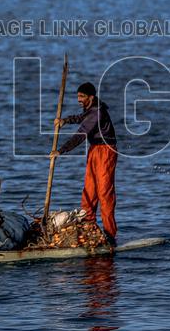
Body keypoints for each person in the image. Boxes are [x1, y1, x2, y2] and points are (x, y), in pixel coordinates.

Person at [50, 82, 119, 244]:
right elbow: (81, 118)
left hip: (106, 151)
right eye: (78, 96)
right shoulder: (90, 110)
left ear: (91, 97)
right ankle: (89, 228)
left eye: (82, 97)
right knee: (89, 191)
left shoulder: (98, 112)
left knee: (104, 192)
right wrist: (65, 121)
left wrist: (61, 150)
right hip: (94, 149)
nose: (79, 99)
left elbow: (81, 135)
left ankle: (110, 234)